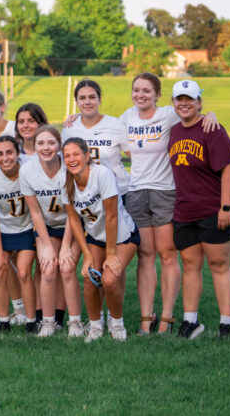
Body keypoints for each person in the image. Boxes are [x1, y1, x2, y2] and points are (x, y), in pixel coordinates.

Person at [121, 72, 218, 335]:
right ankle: (145, 318)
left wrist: (211, 115)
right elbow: (103, 134)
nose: (140, 95)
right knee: (144, 256)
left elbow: (194, 115)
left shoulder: (168, 114)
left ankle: (166, 318)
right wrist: (72, 120)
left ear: (157, 95)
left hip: (165, 192)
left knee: (166, 254)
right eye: (136, 90)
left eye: (146, 91)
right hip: (137, 192)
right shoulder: (126, 117)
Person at [168, 80, 230, 339]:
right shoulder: (174, 131)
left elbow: (228, 168)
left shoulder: (212, 129)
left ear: (199, 102)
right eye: (179, 99)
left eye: (190, 99)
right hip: (185, 210)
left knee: (218, 264)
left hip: (212, 208)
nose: (184, 103)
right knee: (190, 265)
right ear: (173, 102)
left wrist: (226, 206)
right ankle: (190, 321)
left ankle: (226, 323)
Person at [59, 137, 139, 342]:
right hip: (95, 238)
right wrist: (86, 255)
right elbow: (75, 221)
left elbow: (111, 216)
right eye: (67, 155)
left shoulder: (101, 174)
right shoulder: (66, 182)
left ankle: (117, 323)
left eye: (76, 154)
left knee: (109, 279)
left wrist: (111, 254)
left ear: (87, 156)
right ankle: (95, 325)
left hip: (122, 237)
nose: (71, 159)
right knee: (89, 279)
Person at [20, 125, 82, 337]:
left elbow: (73, 213)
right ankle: (47, 323)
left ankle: (75, 323)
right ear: (34, 146)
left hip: (72, 225)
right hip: (47, 225)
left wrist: (65, 247)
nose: (46, 147)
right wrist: (45, 245)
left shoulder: (69, 168)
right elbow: (35, 212)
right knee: (47, 269)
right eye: (41, 143)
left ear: (59, 145)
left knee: (66, 267)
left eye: (51, 142)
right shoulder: (27, 170)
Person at [0, 135, 46, 334]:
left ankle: (30, 320)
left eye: (9, 152)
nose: (5, 158)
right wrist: (0, 254)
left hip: (26, 227)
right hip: (2, 229)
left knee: (24, 272)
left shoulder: (28, 170)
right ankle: (3, 321)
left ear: (18, 153)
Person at [62, 79, 128, 193]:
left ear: (100, 99)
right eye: (82, 98)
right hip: (85, 195)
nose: (87, 102)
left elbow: (135, 156)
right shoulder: (69, 129)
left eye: (92, 97)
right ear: (76, 102)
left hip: (118, 191)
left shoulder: (116, 125)